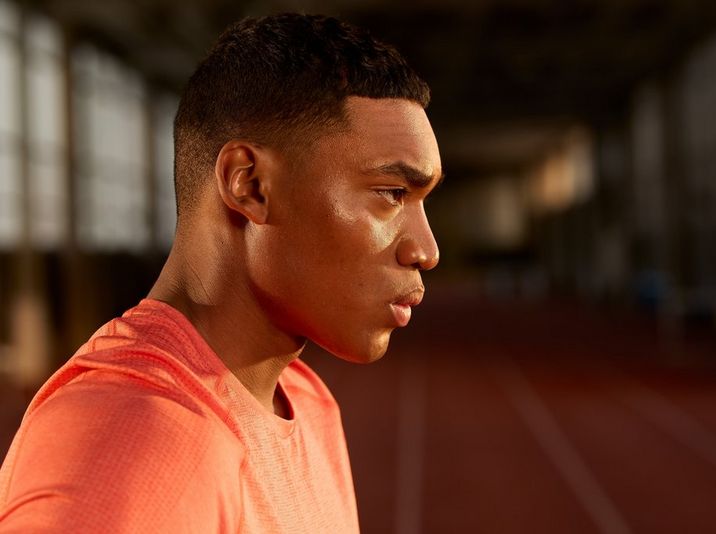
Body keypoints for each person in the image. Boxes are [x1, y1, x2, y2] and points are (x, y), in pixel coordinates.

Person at [0, 13, 441, 533]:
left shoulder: (306, 400)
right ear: (249, 185)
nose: (426, 250)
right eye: (392, 194)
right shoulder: (133, 443)